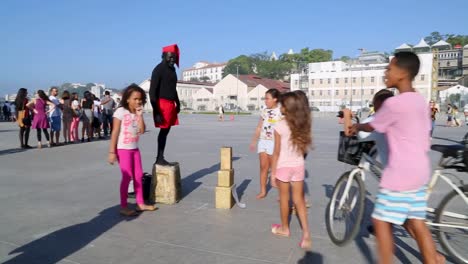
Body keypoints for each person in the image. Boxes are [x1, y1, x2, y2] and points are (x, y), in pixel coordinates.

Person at [350, 51, 444, 264]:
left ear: (402, 73)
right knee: (418, 223)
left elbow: (372, 125)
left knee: (380, 221)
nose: (386, 72)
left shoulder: (394, 105)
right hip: (420, 172)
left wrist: (355, 125)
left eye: (389, 68)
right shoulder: (420, 101)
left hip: (399, 174)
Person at [270, 92, 312, 249]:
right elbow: (304, 149)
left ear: (287, 108)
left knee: (283, 199)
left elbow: (276, 152)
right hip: (299, 166)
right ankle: (306, 235)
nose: (280, 107)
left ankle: (284, 228)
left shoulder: (279, 126)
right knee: (299, 201)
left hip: (283, 166)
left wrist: (273, 174)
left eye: (282, 105)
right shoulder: (302, 124)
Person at [108, 84, 157, 216]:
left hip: (135, 149)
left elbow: (141, 130)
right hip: (123, 149)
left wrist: (140, 116)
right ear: (127, 99)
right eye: (135, 99)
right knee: (127, 176)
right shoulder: (120, 112)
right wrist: (112, 152)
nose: (138, 101)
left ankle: (140, 203)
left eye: (140, 99)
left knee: (139, 176)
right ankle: (123, 206)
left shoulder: (137, 112)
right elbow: (115, 132)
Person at [149, 44, 181, 165]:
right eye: (170, 57)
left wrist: (177, 103)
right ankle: (159, 158)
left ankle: (160, 157)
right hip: (161, 104)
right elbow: (152, 92)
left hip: (170, 104)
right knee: (164, 131)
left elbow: (174, 88)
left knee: (166, 131)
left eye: (174, 57)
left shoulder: (172, 70)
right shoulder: (158, 69)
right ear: (163, 56)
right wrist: (156, 111)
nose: (172, 59)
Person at [249, 88, 282, 199]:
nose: (265, 101)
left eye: (267, 98)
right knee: (263, 167)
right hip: (263, 141)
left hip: (275, 142)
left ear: (275, 99)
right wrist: (254, 141)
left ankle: (282, 193)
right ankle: (263, 191)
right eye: (265, 98)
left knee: (275, 169)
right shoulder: (264, 110)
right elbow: (259, 126)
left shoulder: (281, 111)